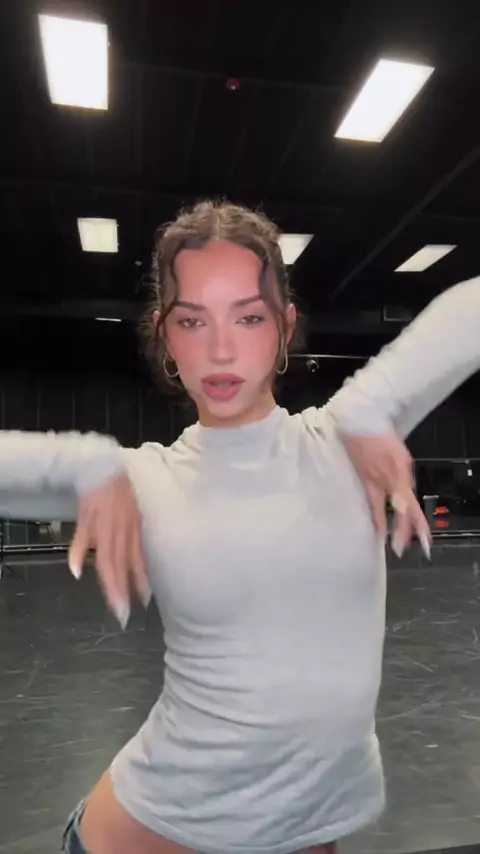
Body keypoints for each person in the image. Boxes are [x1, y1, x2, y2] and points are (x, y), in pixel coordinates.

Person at [0, 202, 478, 854]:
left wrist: (371, 405)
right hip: (150, 828)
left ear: (285, 328)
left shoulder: (344, 440)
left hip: (310, 833)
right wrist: (80, 462)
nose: (220, 349)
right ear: (166, 338)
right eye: (192, 321)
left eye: (249, 318)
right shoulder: (144, 480)